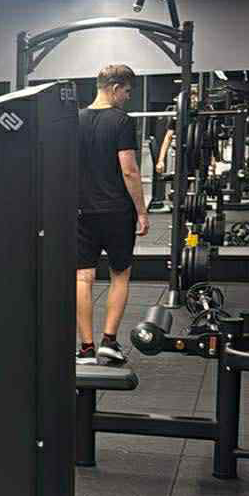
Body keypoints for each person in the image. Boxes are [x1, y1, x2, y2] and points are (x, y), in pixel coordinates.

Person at [76, 63, 149, 366]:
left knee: (83, 277)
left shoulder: (74, 120)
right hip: (117, 211)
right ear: (115, 88)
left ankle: (86, 349)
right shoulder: (121, 121)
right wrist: (142, 211)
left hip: (82, 211)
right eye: (127, 91)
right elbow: (129, 170)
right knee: (120, 274)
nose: (128, 97)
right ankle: (109, 342)